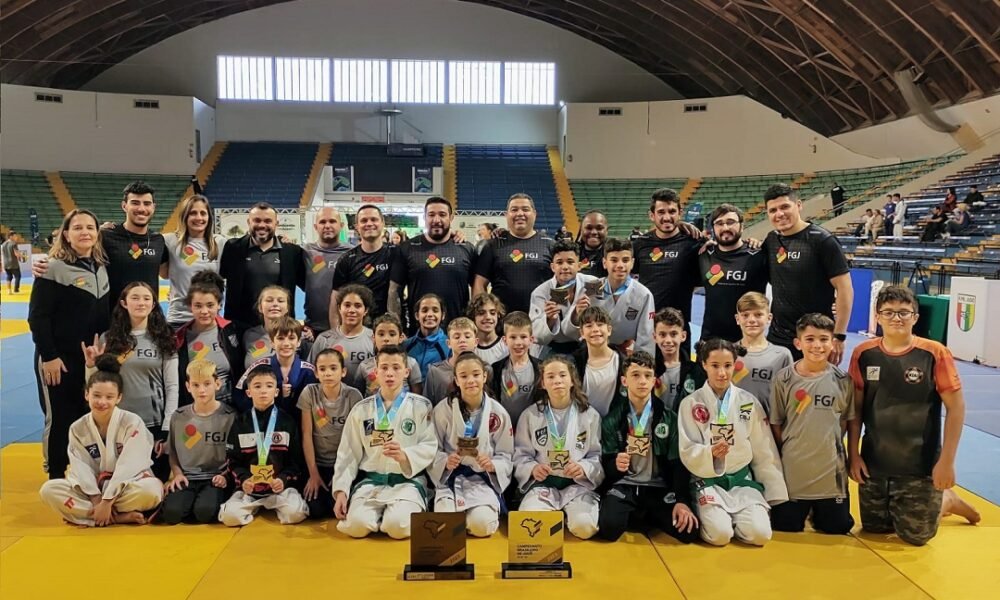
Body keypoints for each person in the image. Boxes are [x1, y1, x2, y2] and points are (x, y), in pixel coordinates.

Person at [848, 286, 977, 545]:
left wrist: (947, 462)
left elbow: (956, 407)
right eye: (889, 312)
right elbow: (856, 409)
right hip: (876, 464)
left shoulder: (934, 353)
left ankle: (946, 499)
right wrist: (853, 454)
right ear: (878, 317)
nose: (896, 318)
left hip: (920, 465)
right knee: (874, 529)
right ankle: (932, 500)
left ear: (915, 318)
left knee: (915, 536)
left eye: (904, 312)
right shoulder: (863, 353)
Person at [677, 338, 788, 546]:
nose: (722, 373)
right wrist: (710, 454)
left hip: (741, 481)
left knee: (760, 534)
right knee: (720, 535)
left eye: (727, 366)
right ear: (704, 365)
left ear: (735, 365)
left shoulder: (748, 402)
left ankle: (737, 518)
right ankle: (714, 515)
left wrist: (773, 490)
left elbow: (764, 448)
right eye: (715, 366)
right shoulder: (690, 403)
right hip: (708, 481)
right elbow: (687, 448)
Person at [28, 209, 111, 479]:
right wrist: (49, 356)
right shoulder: (52, 268)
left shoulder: (100, 267)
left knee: (83, 412)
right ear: (66, 234)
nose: (85, 232)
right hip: (58, 358)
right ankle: (54, 472)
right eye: (77, 227)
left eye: (90, 227)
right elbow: (38, 317)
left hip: (89, 358)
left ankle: (82, 469)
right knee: (60, 416)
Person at [39, 355, 163, 526]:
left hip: (125, 488)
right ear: (86, 394)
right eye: (96, 395)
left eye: (109, 397)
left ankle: (91, 516)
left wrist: (108, 500)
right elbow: (80, 467)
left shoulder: (132, 423)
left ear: (119, 398)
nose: (102, 402)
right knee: (48, 490)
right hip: (93, 492)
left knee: (152, 491)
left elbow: (130, 465)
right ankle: (117, 517)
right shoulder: (78, 428)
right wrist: (98, 500)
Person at [332, 345, 438, 539]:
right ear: (375, 372)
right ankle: (376, 517)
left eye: (396, 368)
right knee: (356, 526)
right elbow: (348, 454)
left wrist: (405, 455)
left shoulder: (421, 406)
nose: (390, 373)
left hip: (407, 483)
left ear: (406, 372)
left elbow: (430, 445)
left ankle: (390, 517)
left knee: (398, 527)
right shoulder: (361, 410)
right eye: (384, 368)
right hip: (372, 482)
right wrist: (341, 491)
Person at [597, 351, 699, 543]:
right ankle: (640, 514)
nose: (642, 381)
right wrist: (615, 465)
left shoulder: (669, 418)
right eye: (635, 375)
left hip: (657, 488)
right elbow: (606, 464)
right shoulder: (612, 419)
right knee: (609, 530)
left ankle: (644, 513)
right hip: (624, 486)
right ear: (624, 381)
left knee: (688, 533)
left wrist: (682, 501)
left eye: (647, 375)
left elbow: (678, 464)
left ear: (654, 381)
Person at [82, 282, 179, 481]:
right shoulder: (108, 339)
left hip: (152, 424)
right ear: (124, 303)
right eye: (135, 297)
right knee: (119, 482)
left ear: (153, 304)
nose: (141, 303)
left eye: (146, 298)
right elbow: (97, 385)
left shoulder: (164, 338)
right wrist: (91, 365)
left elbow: (172, 386)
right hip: (118, 423)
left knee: (153, 485)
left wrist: (167, 427)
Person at [769, 314, 855, 535]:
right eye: (810, 339)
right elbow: (776, 423)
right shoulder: (784, 379)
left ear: (833, 342)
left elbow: (845, 421)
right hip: (794, 471)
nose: (817, 345)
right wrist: (791, 448)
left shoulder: (843, 380)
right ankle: (805, 509)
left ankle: (820, 509)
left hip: (830, 472)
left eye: (824, 339)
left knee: (838, 527)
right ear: (798, 343)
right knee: (786, 526)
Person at [513, 356, 604, 539]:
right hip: (543, 485)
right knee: (529, 529)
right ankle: (554, 513)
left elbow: (595, 455)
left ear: (572, 380)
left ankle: (568, 514)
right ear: (543, 384)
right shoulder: (530, 415)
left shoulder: (589, 415)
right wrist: (533, 469)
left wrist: (583, 468)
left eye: (562, 375)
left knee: (584, 528)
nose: (557, 381)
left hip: (577, 486)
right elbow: (521, 454)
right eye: (551, 377)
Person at [763, 183, 852, 364]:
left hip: (814, 338)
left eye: (785, 207)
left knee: (811, 391)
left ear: (799, 205)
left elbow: (845, 289)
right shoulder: (771, 240)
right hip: (778, 337)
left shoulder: (822, 240)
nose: (779, 214)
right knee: (777, 390)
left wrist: (839, 336)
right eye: (773, 210)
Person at [429, 352, 515, 537]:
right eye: (464, 376)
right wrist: (445, 461)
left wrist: (493, 465)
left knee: (481, 526)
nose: (471, 380)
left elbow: (506, 453)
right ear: (456, 380)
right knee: (445, 526)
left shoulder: (498, 413)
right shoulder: (443, 410)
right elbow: (432, 448)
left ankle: (472, 518)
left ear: (485, 376)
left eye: (476, 374)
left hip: (481, 480)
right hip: (450, 479)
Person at [218, 364, 308, 526]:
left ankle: (276, 505)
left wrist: (283, 479)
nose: (263, 391)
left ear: (276, 391)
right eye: (257, 386)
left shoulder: (287, 421)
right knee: (230, 518)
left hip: (279, 489)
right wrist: (244, 480)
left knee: (296, 514)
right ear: (248, 392)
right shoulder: (240, 422)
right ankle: (253, 507)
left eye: (269, 386)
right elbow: (232, 460)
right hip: (249, 490)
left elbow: (296, 461)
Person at [162, 359, 236, 524]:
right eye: (195, 385)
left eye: (207, 384)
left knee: (205, 513)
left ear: (218, 384)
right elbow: (173, 453)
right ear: (188, 387)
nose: (201, 390)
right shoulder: (178, 416)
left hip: (215, 477)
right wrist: (177, 474)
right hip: (187, 477)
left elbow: (236, 455)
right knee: (171, 515)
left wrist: (226, 476)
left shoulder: (230, 416)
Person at [390, 197, 477, 334]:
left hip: (457, 334)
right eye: (431, 215)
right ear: (424, 217)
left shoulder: (467, 249)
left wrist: (473, 323)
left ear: (451, 217)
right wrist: (396, 327)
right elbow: (394, 291)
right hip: (419, 334)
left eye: (442, 215)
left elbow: (477, 288)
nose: (436, 220)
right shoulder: (407, 249)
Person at [631, 189, 703, 352]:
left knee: (679, 375)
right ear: (652, 215)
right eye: (661, 212)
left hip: (679, 329)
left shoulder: (693, 242)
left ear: (680, 213)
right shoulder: (640, 245)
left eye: (672, 211)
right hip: (647, 328)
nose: (666, 217)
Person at [219, 202, 305, 336]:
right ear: (249, 222)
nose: (262, 225)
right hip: (239, 326)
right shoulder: (233, 248)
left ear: (276, 223)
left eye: (268, 221)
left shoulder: (292, 252)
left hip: (279, 328)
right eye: (257, 220)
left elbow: (309, 286)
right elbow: (218, 281)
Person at [298, 348, 364, 520]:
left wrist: (341, 475)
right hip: (319, 464)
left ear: (343, 372)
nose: (328, 373)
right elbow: (306, 435)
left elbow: (356, 439)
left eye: (333, 368)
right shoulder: (309, 393)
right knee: (317, 510)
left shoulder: (353, 395)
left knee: (346, 509)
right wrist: (313, 474)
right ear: (316, 373)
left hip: (345, 464)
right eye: (323, 369)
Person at [473, 193, 556, 315]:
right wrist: (482, 313)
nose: (520, 214)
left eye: (525, 209)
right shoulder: (493, 245)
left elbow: (562, 283)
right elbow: (479, 283)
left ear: (534, 214)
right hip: (502, 322)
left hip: (540, 321)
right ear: (506, 215)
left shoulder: (550, 245)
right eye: (514, 210)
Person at [698, 204, 768, 342]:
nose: (725, 228)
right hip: (710, 339)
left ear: (742, 226)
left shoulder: (759, 255)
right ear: (713, 228)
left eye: (731, 222)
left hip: (747, 340)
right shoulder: (704, 254)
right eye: (719, 223)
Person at [174, 271, 241, 407]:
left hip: (232, 411)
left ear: (219, 305)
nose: (204, 311)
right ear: (190, 307)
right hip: (196, 411)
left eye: (210, 305)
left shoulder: (233, 331)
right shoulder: (179, 338)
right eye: (198, 306)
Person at [162, 194, 227, 328]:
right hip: (179, 318)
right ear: (184, 216)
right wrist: (107, 230)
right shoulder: (169, 241)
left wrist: (282, 240)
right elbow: (163, 274)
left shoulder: (220, 243)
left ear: (209, 217)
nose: (199, 218)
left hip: (210, 318)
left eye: (203, 213)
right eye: (193, 213)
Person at [583, 237, 655, 356]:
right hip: (594, 351)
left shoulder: (643, 294)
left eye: (625, 260)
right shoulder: (592, 287)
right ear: (605, 263)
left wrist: (642, 364)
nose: (620, 265)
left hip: (626, 355)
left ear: (632, 263)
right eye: (614, 260)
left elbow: (646, 336)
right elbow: (581, 323)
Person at [235, 316, 317, 417]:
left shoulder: (309, 371)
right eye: (280, 338)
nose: (286, 343)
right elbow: (239, 393)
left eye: (291, 338)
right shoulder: (259, 366)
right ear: (272, 342)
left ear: (299, 342)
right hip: (265, 424)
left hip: (299, 425)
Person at [529, 240, 598, 355]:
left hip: (585, 345)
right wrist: (549, 319)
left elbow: (604, 315)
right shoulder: (540, 293)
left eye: (570, 262)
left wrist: (578, 315)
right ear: (552, 267)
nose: (565, 267)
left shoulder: (593, 283)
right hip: (552, 347)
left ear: (579, 266)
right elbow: (536, 336)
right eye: (559, 262)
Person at [330, 204, 398, 320]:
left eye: (374, 219)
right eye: (364, 220)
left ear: (383, 223)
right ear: (357, 226)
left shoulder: (397, 254)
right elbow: (336, 300)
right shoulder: (347, 260)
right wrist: (337, 334)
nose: (369, 223)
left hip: (390, 329)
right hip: (358, 328)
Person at [732, 292, 793, 415]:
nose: (751, 320)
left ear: (769, 318)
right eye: (745, 315)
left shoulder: (782, 355)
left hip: (767, 427)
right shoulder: (728, 352)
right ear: (737, 319)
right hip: (732, 423)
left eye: (758, 314)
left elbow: (787, 396)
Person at [309, 284, 375, 389]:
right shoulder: (324, 339)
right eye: (347, 305)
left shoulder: (374, 339)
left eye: (358, 306)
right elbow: (311, 373)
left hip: (366, 401)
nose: (351, 310)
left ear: (365, 310)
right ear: (339, 308)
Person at [302, 207, 350, 336]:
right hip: (313, 328)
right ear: (315, 226)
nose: (327, 226)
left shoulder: (352, 253)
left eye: (332, 221)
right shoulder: (305, 252)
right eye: (323, 222)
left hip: (346, 326)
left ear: (341, 225)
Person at [570, 306, 624, 418]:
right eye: (589, 326)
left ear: (609, 330)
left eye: (600, 324)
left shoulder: (624, 362)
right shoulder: (573, 363)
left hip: (613, 426)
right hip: (583, 423)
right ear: (582, 333)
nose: (595, 329)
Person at [490, 311, 541, 427]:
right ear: (504, 340)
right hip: (505, 428)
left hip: (532, 427)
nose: (518, 342)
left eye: (523, 337)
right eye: (513, 337)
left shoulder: (541, 368)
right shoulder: (496, 369)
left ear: (531, 339)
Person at [242, 285, 312, 369]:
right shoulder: (249, 335)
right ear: (260, 307)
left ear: (287, 308)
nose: (275, 304)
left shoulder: (301, 335)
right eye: (269, 300)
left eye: (280, 301)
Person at [355, 313, 423, 396]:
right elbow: (358, 395)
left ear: (401, 338)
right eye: (381, 334)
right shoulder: (364, 366)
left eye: (392, 334)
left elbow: (417, 397)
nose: (386, 339)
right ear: (373, 338)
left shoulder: (411, 363)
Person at [423, 317, 483, 405]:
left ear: (476, 342)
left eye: (467, 336)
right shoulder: (435, 371)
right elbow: (427, 404)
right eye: (457, 337)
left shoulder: (485, 368)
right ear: (448, 343)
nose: (462, 340)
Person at [652, 308, 699, 411]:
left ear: (683, 336)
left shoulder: (695, 371)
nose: (668, 340)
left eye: (673, 334)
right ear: (654, 337)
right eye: (662, 335)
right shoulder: (649, 370)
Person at [404, 294, 451, 379]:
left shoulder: (450, 346)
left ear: (442, 315)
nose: (429, 314)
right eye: (425, 310)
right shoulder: (406, 346)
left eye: (435, 310)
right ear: (417, 316)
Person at [469, 292, 508, 365]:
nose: (488, 317)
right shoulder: (468, 347)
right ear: (473, 316)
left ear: (498, 315)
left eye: (492, 313)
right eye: (481, 313)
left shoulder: (506, 346)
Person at [577, 209, 609, 278]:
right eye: (589, 228)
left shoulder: (614, 253)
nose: (594, 232)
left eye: (599, 228)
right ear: (581, 230)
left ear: (606, 231)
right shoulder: (572, 253)